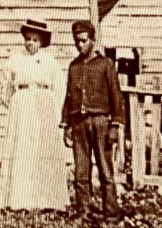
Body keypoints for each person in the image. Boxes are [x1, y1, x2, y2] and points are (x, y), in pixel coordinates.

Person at [0, 20, 67, 210]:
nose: (30, 43)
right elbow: (5, 87)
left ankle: (47, 200)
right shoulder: (14, 60)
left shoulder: (50, 62)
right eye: (28, 39)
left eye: (35, 40)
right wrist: (15, 103)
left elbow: (59, 88)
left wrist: (55, 112)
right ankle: (20, 200)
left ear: (42, 42)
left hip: (43, 107)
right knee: (21, 149)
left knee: (42, 149)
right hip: (22, 105)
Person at [61, 20, 124, 219]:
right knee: (81, 170)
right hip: (78, 122)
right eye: (76, 42)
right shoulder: (74, 66)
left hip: (101, 122)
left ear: (93, 40)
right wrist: (66, 125)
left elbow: (116, 96)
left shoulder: (105, 64)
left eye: (84, 41)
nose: (80, 45)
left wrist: (115, 125)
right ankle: (83, 211)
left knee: (105, 169)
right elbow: (69, 96)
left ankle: (111, 213)